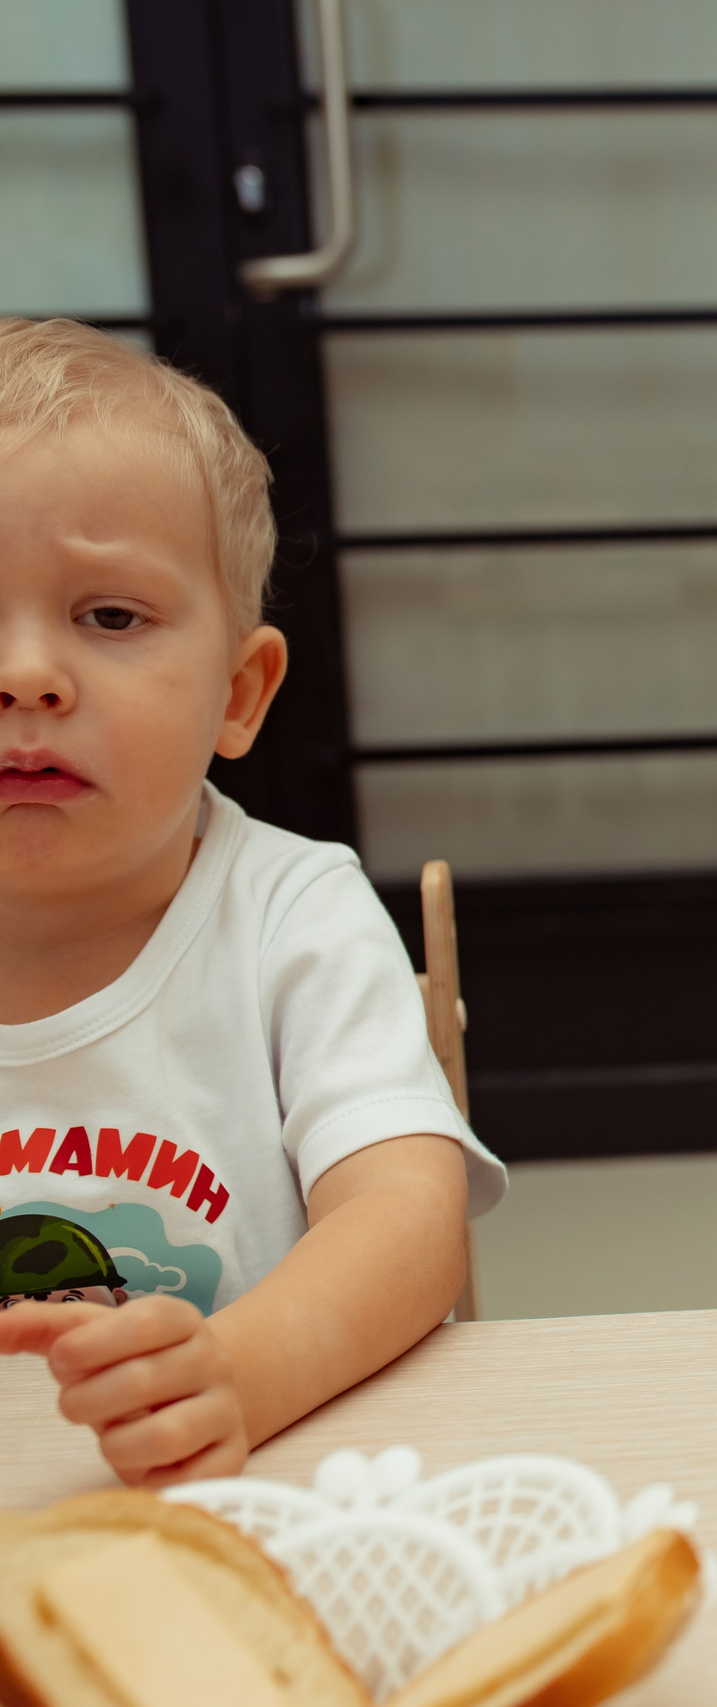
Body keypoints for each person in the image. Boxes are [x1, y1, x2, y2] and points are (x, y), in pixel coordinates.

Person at [0, 319, 504, 1483]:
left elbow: (407, 1217)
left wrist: (244, 1372)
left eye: (109, 616)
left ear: (238, 693)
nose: (26, 674)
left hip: (247, 1481)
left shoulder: (291, 914)